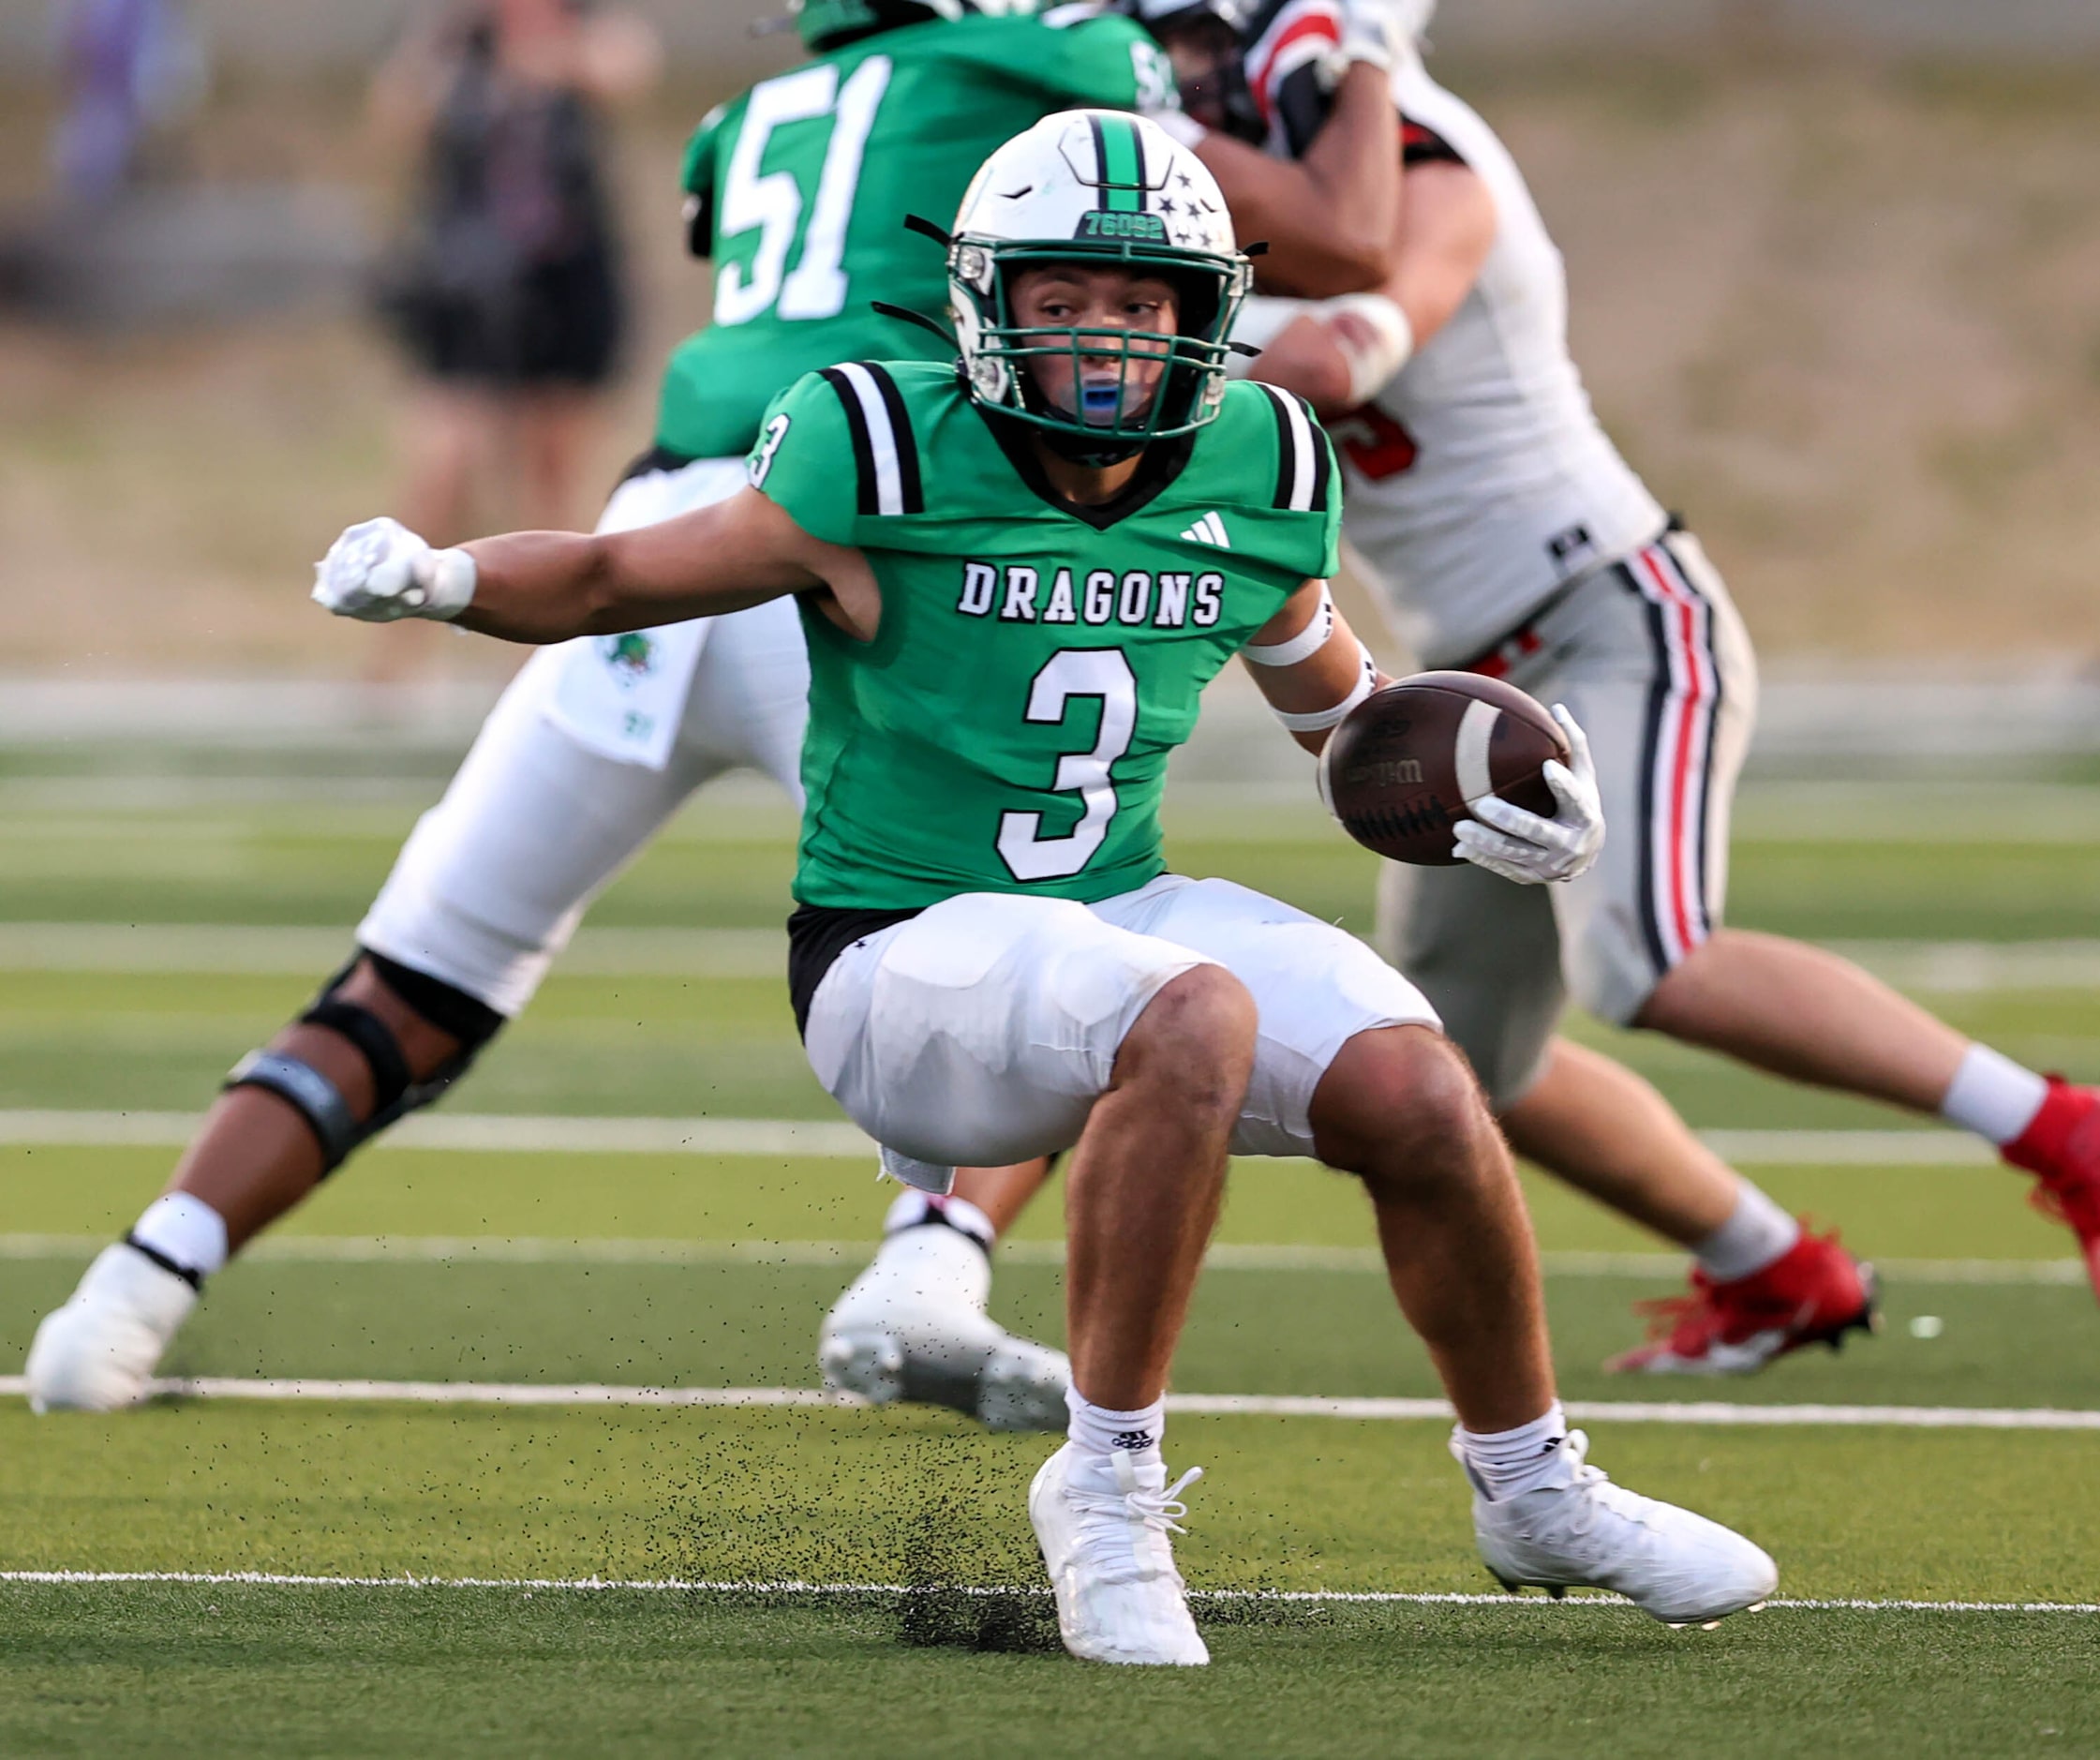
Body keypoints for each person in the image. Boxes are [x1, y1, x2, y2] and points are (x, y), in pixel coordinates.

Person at [303, 110, 1780, 1663]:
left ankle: (1530, 1483)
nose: (1101, 335)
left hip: (1110, 916)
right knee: (1191, 1011)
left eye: (1140, 303)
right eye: (1065, 296)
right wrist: (446, 576)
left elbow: (1340, 719)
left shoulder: (1258, 458)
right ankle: (1107, 1483)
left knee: (1420, 1085)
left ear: (1203, 313)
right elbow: (619, 575)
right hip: (895, 951)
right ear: (987, 296)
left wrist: (1483, 786)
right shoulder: (880, 441)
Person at [23, 0, 1416, 1427]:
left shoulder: (758, 112)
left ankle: (129, 1289)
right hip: (876, 539)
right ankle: (927, 1263)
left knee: (431, 965)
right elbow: (1320, 231)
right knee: (1043, 904)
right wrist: (1355, 66)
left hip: (665, 525)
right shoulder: (1055, 68)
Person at [1155, 0, 2100, 1366]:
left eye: (1192, 64)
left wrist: (1146, 356)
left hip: (1602, 615)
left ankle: (2061, 1130)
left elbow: (1327, 355)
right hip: (1469, 692)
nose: (1179, 99)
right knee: (1445, 1070)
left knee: (1649, 959)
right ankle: (1775, 1267)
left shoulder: (1429, 169)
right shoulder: (1287, 205)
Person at [364, 0, 659, 679]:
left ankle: (545, 667)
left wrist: (546, 58)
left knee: (551, 479)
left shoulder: (588, 27)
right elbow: (397, 115)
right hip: (467, 288)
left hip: (564, 285)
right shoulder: (455, 42)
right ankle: (393, 658)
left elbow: (625, 69)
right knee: (443, 467)